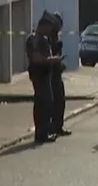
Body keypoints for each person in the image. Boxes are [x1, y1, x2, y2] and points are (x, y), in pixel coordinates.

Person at [26, 12, 63, 143]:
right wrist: (53, 60)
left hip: (46, 74)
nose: (51, 30)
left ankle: (45, 131)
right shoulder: (34, 39)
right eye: (50, 26)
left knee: (48, 103)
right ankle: (41, 134)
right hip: (39, 75)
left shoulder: (45, 39)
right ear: (44, 25)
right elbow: (36, 59)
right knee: (43, 104)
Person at [49, 11, 71, 137]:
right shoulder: (48, 37)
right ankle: (52, 127)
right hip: (50, 73)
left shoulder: (56, 36)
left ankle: (58, 126)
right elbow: (48, 55)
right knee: (53, 101)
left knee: (60, 101)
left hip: (57, 71)